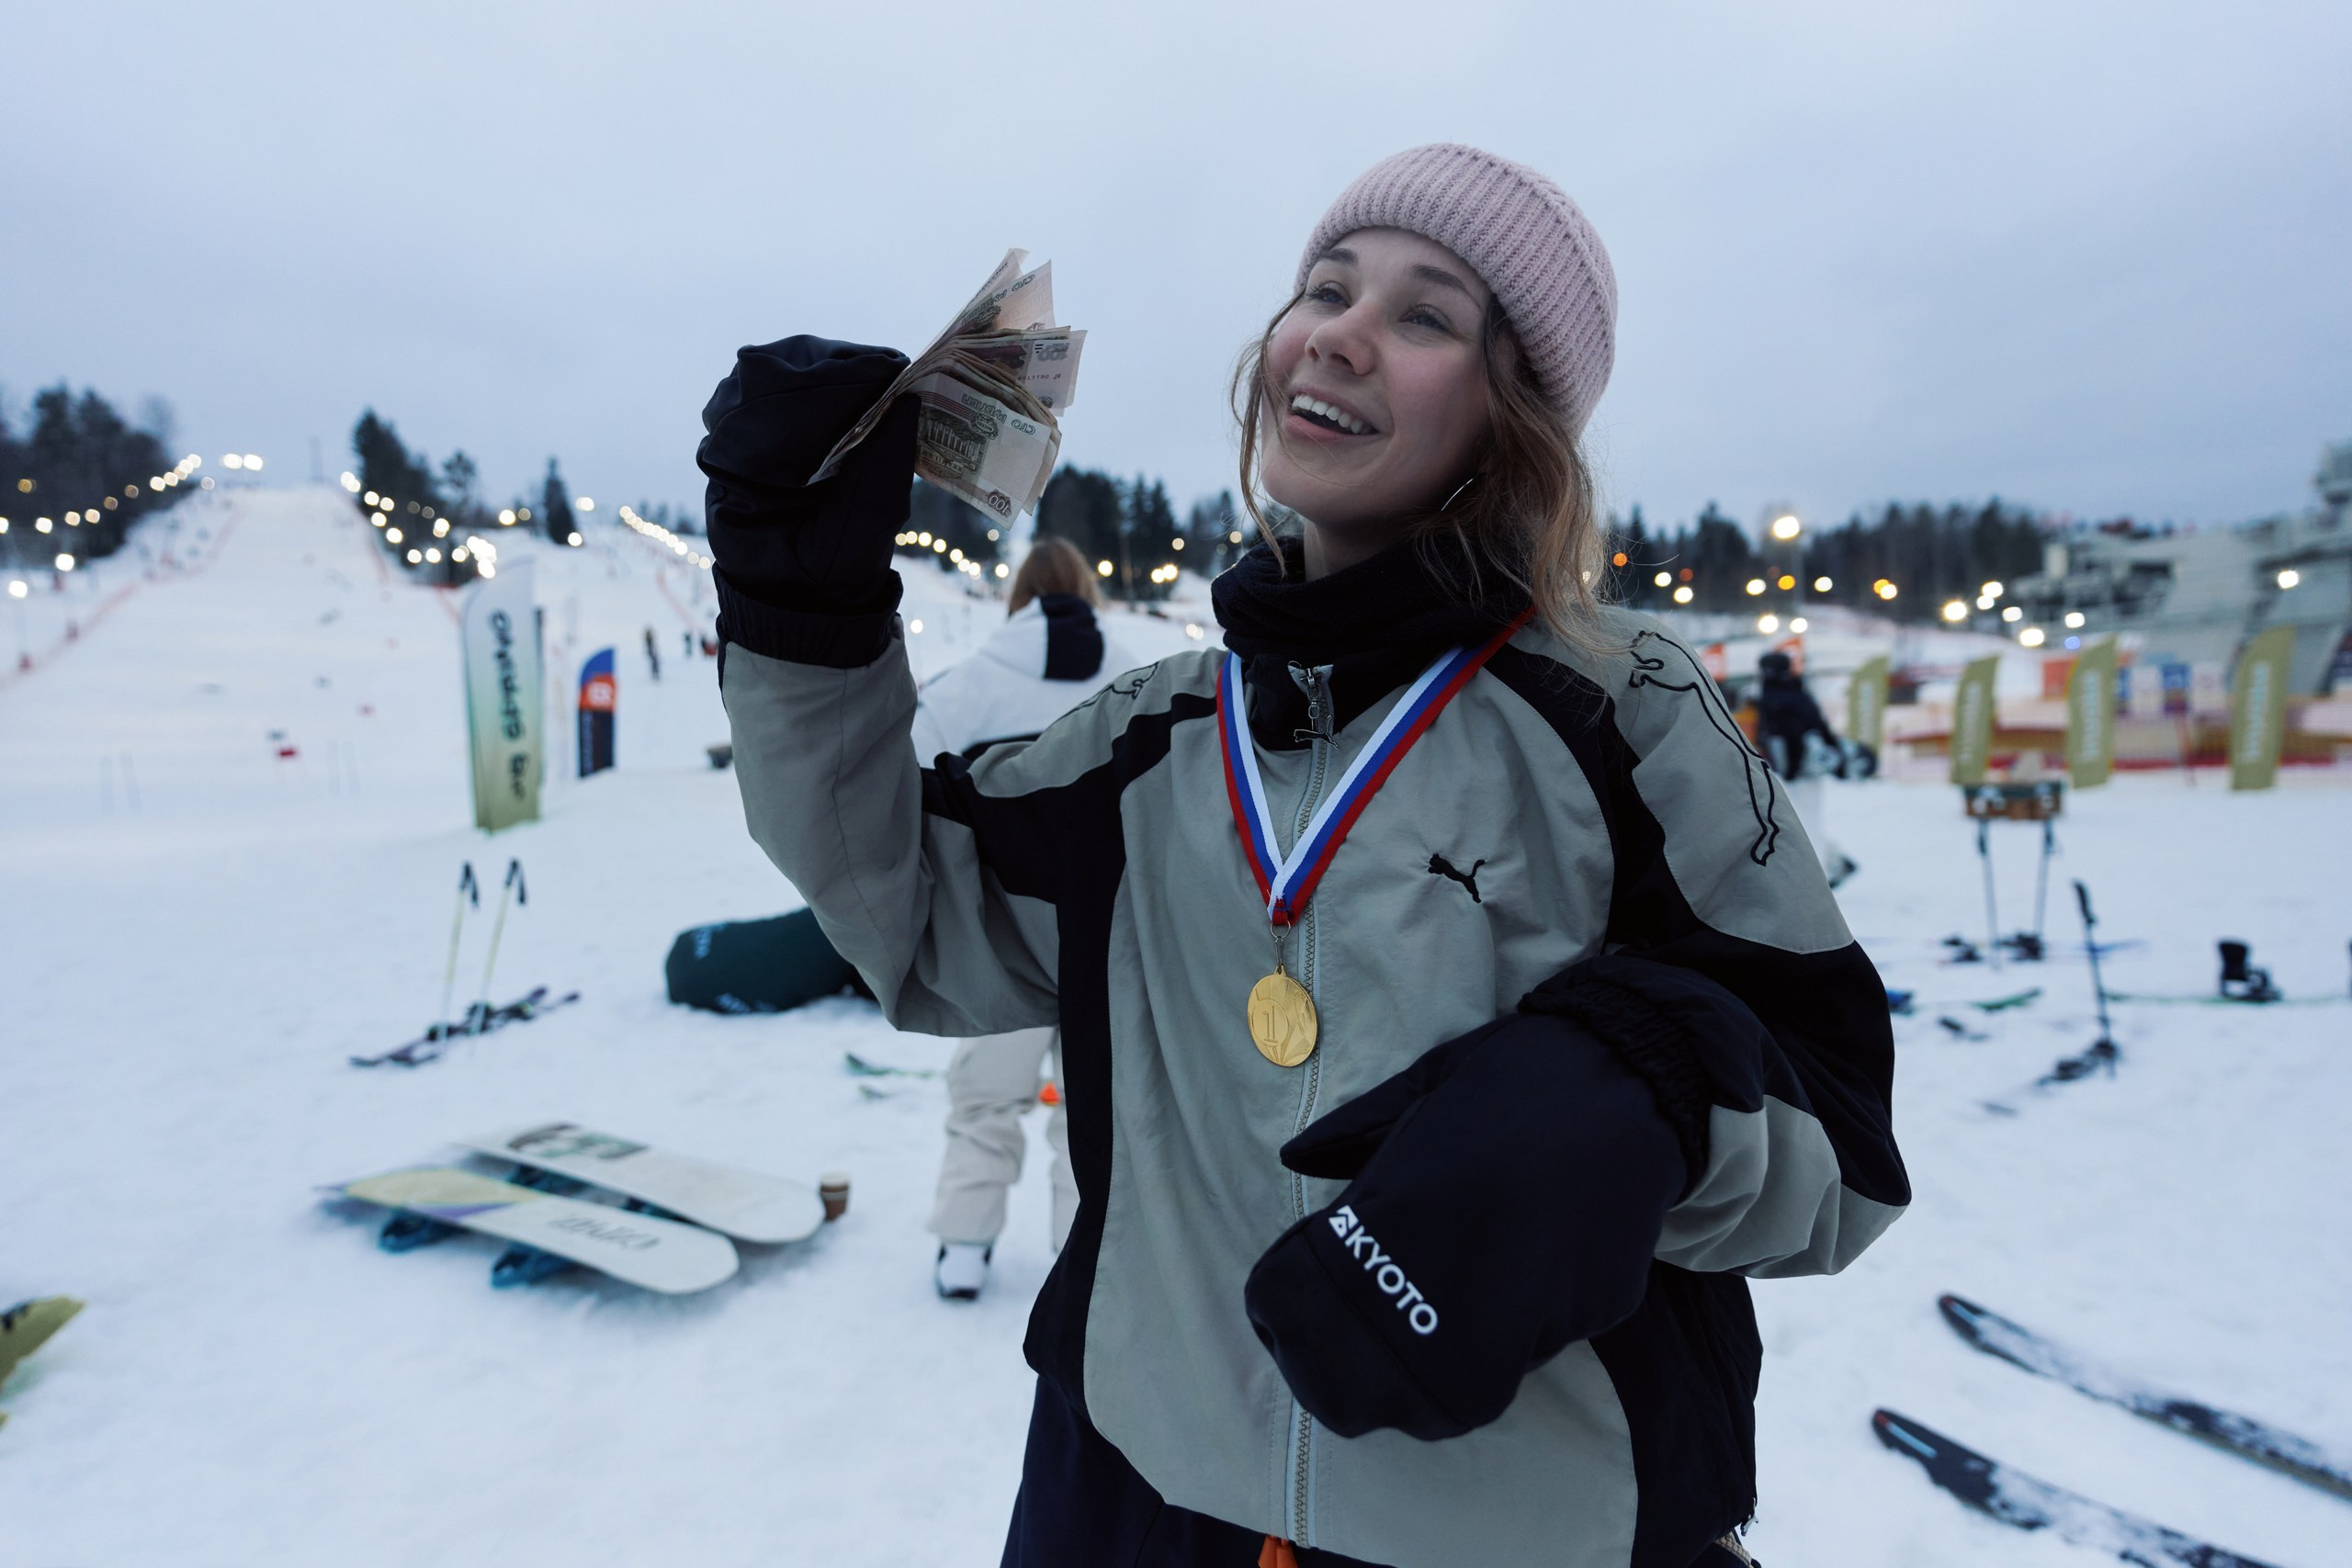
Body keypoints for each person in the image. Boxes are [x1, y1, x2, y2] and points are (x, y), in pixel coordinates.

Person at [703, 144, 1905, 1568]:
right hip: (1133, 1494)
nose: (1336, 327)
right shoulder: (1150, 737)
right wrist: (801, 606)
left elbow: (1838, 1123)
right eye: (1325, 288)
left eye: (1424, 313)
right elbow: (911, 916)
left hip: (1516, 1530)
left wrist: (1634, 1088)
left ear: (1509, 415)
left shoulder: (1619, 702)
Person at [910, 538, 1136, 1300]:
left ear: (1017, 596)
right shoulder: (1136, 678)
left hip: (999, 927)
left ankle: (964, 1248)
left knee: (985, 1095)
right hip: (1109, 931)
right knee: (1092, 1104)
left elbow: (908, 780)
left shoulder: (967, 684)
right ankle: (1079, 1259)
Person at [1753, 649, 1858, 887]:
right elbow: (1820, 725)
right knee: (1803, 819)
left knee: (1802, 821)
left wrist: (1789, 769)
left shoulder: (1774, 696)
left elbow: (1787, 735)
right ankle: (1833, 861)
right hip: (1807, 769)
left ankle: (1823, 873)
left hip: (1795, 770)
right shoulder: (1798, 690)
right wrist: (1837, 756)